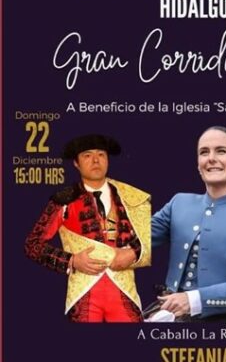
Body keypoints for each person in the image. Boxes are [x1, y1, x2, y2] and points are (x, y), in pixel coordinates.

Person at [150, 126, 226, 322]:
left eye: (221, 151)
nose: (211, 158)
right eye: (204, 152)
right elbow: (135, 238)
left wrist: (193, 300)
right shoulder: (179, 202)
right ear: (198, 163)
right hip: (166, 315)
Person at [24, 134, 152, 322]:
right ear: (76, 163)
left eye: (101, 154)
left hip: (125, 289)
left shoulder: (131, 197)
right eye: (87, 155)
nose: (95, 160)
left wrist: (134, 252)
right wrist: (72, 260)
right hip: (83, 292)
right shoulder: (64, 200)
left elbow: (151, 237)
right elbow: (32, 245)